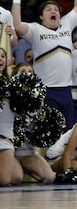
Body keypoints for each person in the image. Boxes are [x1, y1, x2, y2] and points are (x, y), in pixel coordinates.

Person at [11, 0, 77, 127]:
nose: (53, 11)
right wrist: (17, 1)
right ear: (41, 16)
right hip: (46, 90)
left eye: (56, 10)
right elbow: (17, 25)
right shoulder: (35, 30)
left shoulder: (66, 24)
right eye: (48, 10)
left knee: (67, 132)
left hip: (66, 90)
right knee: (47, 132)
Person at [10, 62, 56, 184]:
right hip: (9, 151)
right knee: (16, 178)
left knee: (50, 177)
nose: (27, 75)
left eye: (30, 72)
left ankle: (25, 168)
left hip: (27, 152)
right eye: (23, 72)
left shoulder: (38, 101)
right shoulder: (7, 96)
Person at [0, 48, 23, 186]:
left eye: (3, 56)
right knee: (4, 180)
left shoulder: (12, 86)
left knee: (16, 178)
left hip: (5, 138)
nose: (0, 59)